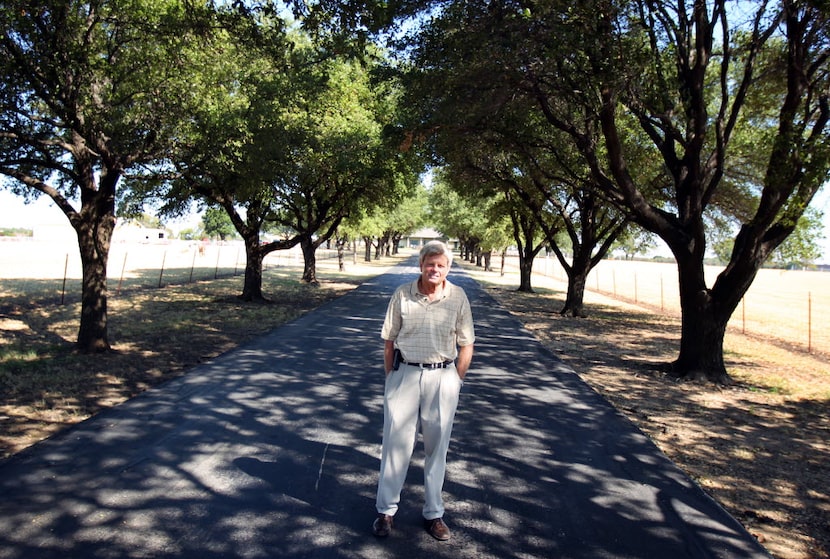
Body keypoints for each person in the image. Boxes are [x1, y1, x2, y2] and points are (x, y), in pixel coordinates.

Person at [372, 240, 475, 541]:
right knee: (395, 446)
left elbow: (467, 344)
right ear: (421, 265)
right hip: (404, 375)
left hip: (442, 377)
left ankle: (434, 514)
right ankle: (386, 511)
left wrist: (456, 379)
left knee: (436, 449)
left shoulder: (458, 296)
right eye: (430, 264)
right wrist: (391, 377)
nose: (435, 269)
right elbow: (389, 340)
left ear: (448, 268)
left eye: (441, 265)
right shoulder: (402, 294)